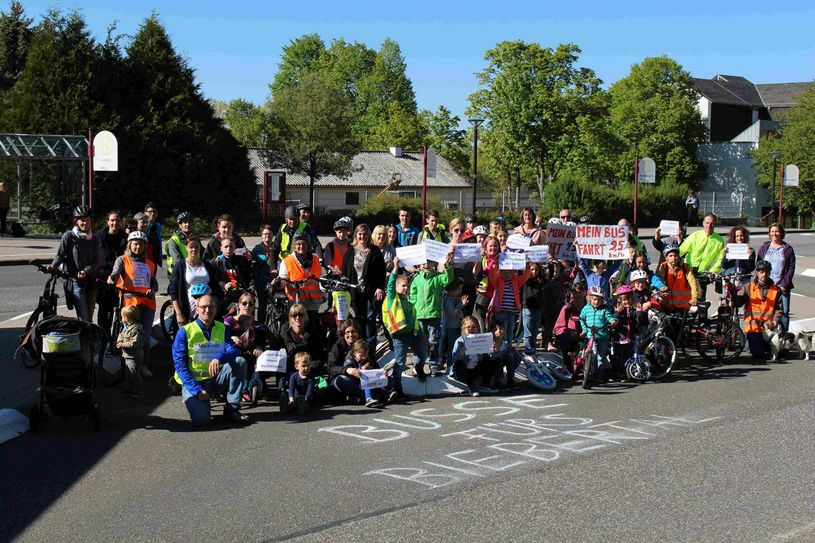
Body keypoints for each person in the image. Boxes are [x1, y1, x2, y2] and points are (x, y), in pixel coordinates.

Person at [172, 293, 250, 426]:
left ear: (215, 309)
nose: (207, 310)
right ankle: (200, 401)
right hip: (194, 382)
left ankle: (232, 409)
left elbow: (233, 350)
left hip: (215, 378)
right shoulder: (185, 332)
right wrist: (197, 390)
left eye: (211, 307)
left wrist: (219, 357)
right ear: (197, 308)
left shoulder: (221, 327)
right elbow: (180, 366)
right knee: (202, 420)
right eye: (203, 307)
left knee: (239, 362)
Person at [108, 230, 158, 377]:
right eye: (135, 244)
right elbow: (115, 272)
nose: (138, 247)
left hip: (147, 304)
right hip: (129, 304)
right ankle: (127, 366)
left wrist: (152, 290)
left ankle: (143, 365)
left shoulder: (149, 264)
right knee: (128, 336)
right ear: (130, 245)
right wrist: (111, 278)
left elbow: (154, 283)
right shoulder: (122, 260)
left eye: (141, 244)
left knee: (146, 337)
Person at [49, 205, 102, 322]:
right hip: (75, 281)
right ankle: (84, 338)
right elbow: (60, 255)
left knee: (89, 317)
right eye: (82, 220)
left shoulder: (95, 239)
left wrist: (86, 271)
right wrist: (53, 266)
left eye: (87, 219)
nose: (85, 223)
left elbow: (98, 261)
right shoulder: (69, 236)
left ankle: (88, 339)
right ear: (76, 221)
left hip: (91, 282)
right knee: (83, 317)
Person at [383, 257, 427, 396]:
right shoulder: (392, 299)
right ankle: (397, 388)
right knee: (400, 364)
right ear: (396, 288)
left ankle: (418, 369)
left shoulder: (409, 302)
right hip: (399, 337)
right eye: (403, 286)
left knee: (422, 354)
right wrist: (395, 267)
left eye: (407, 286)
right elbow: (390, 285)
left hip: (412, 335)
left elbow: (414, 322)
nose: (406, 288)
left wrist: (422, 336)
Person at [410, 245, 455, 375]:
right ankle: (418, 365)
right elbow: (412, 296)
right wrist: (413, 310)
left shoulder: (437, 277)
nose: (426, 264)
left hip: (434, 316)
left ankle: (434, 365)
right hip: (419, 317)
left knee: (433, 342)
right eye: (424, 262)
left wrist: (448, 264)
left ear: (434, 263)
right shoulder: (416, 280)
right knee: (419, 343)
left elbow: (448, 278)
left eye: (429, 262)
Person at [341, 224, 386, 348]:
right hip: (354, 293)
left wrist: (379, 287)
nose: (363, 236)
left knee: (370, 320)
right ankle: (358, 350)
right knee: (357, 321)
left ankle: (370, 350)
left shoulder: (375, 251)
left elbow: (381, 272)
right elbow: (344, 272)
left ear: (369, 235)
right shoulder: (350, 250)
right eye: (360, 234)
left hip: (370, 292)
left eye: (365, 234)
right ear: (356, 235)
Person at [169, 236, 222, 327]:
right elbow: (173, 291)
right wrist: (179, 313)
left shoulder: (207, 265)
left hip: (207, 311)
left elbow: (216, 287)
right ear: (186, 247)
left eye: (197, 247)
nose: (194, 249)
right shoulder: (180, 267)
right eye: (191, 247)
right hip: (188, 311)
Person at [736, 260, 783, 358]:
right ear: (757, 272)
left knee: (780, 351)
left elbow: (779, 309)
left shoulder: (776, 289)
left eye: (766, 271)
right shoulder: (748, 287)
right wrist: (734, 292)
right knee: (758, 354)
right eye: (761, 272)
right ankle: (752, 345)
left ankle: (763, 346)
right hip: (753, 327)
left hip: (769, 328)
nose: (764, 274)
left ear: (770, 272)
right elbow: (738, 303)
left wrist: (775, 321)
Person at [757, 223, 796, 332]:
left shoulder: (787, 249)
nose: (774, 234)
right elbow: (758, 265)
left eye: (777, 231)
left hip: (781, 285)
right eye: (772, 231)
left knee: (784, 312)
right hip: (766, 285)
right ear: (769, 233)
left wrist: (784, 284)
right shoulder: (764, 247)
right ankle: (766, 340)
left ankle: (783, 340)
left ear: (781, 233)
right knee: (766, 311)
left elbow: (791, 268)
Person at [487, 260, 533, 351]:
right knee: (500, 332)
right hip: (501, 312)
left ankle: (508, 349)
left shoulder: (516, 281)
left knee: (510, 331)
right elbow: (492, 274)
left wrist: (527, 268)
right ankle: (500, 348)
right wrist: (495, 264)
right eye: (504, 272)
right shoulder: (498, 281)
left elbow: (524, 278)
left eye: (510, 272)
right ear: (500, 272)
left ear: (514, 272)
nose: (507, 275)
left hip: (512, 312)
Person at [334, 339, 393, 407]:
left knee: (389, 380)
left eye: (365, 355)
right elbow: (348, 372)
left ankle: (387, 395)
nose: (364, 357)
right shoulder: (349, 360)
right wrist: (361, 370)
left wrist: (382, 373)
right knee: (367, 382)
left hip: (372, 382)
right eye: (361, 356)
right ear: (354, 353)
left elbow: (377, 369)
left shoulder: (368, 359)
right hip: (357, 383)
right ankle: (369, 398)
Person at [680, 213, 725, 300]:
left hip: (703, 275)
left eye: (712, 223)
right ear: (703, 223)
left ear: (715, 224)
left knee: (700, 301)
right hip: (688, 272)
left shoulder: (719, 241)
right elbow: (681, 250)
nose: (709, 225)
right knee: (685, 299)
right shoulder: (695, 235)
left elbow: (720, 260)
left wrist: (712, 272)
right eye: (707, 223)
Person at [279, 232, 322, 321]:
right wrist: (281, 283)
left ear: (308, 246)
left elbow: (320, 279)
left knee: (313, 326)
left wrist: (324, 296)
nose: (301, 246)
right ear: (294, 246)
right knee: (298, 326)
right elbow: (282, 280)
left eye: (304, 244)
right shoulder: (287, 261)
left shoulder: (315, 259)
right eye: (298, 244)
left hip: (313, 302)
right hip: (296, 301)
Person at [450, 316, 497, 397]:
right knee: (459, 364)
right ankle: (471, 386)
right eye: (468, 327)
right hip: (463, 371)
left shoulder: (481, 339)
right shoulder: (459, 341)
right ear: (463, 328)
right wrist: (460, 354)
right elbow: (454, 359)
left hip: (475, 369)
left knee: (494, 360)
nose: (471, 329)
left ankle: (484, 384)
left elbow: (489, 356)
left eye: (474, 327)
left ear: (478, 329)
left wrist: (493, 349)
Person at [580, 286, 618, 382]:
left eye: (599, 300)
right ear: (589, 299)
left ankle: (600, 374)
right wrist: (584, 330)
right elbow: (582, 319)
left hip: (603, 336)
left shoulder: (605, 309)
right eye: (594, 299)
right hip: (591, 336)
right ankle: (590, 371)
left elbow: (609, 316)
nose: (596, 302)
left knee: (601, 356)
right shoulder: (586, 309)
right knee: (594, 352)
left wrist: (613, 320)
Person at [96, 210, 126, 335]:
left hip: (121, 277)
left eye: (117, 220)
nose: (115, 223)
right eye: (112, 220)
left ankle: (116, 334)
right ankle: (102, 333)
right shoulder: (99, 237)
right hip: (104, 276)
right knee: (104, 308)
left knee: (118, 306)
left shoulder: (125, 237)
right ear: (108, 222)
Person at [212, 236, 254, 309]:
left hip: (242, 294)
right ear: (221, 248)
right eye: (226, 246)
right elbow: (215, 279)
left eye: (231, 246)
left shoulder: (242, 260)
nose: (229, 249)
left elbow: (250, 275)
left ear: (235, 248)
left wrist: (251, 287)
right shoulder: (217, 262)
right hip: (225, 296)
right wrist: (224, 285)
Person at [554, 283, 586, 369]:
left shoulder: (590, 308)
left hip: (586, 336)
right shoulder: (567, 308)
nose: (577, 295)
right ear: (571, 294)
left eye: (579, 292)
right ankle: (567, 364)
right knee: (564, 338)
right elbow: (558, 328)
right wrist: (569, 331)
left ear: (584, 292)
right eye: (574, 293)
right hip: (571, 337)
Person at [656, 244, 698, 312]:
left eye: (675, 255)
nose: (673, 258)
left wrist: (694, 298)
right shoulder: (664, 267)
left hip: (683, 305)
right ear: (666, 258)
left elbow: (693, 283)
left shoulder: (685, 267)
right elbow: (659, 280)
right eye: (670, 256)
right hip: (668, 304)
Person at [116, 305, 146, 399]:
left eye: (122, 316)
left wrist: (122, 345)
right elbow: (121, 334)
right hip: (128, 356)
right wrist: (119, 341)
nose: (121, 318)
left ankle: (139, 390)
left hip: (134, 356)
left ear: (127, 317)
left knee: (134, 374)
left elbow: (134, 344)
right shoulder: (127, 327)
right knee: (128, 373)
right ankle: (128, 388)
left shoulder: (136, 329)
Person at [440, 278, 468, 372]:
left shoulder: (453, 299)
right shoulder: (447, 300)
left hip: (455, 326)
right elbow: (452, 314)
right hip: (451, 327)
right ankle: (449, 366)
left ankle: (450, 364)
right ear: (452, 289)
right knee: (452, 347)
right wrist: (461, 303)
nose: (460, 291)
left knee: (453, 346)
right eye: (459, 289)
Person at [251, 224, 275, 325]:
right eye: (265, 234)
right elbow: (252, 266)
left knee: (276, 304)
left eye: (269, 234)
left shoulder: (276, 248)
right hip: (261, 281)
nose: (267, 236)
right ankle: (261, 326)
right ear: (261, 235)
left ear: (273, 235)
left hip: (274, 280)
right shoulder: (256, 249)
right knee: (262, 305)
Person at [328, 319, 361, 385]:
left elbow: (373, 363)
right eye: (347, 332)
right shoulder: (337, 347)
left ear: (358, 332)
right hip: (343, 376)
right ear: (343, 334)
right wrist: (347, 370)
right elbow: (331, 367)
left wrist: (381, 372)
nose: (350, 335)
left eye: (353, 331)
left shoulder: (363, 345)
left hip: (361, 375)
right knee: (342, 380)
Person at [522, 262, 545, 355]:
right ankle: (528, 349)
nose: (534, 272)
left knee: (535, 330)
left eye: (536, 270)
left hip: (538, 308)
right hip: (527, 307)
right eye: (532, 269)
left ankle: (533, 348)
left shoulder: (540, 280)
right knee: (528, 331)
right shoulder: (526, 279)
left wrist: (551, 263)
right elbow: (522, 272)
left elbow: (549, 275)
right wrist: (527, 266)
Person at [165, 211, 194, 279]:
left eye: (189, 222)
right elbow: (177, 261)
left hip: (192, 274)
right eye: (185, 222)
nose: (188, 224)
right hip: (177, 276)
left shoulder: (195, 239)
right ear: (180, 225)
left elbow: (201, 255)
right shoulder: (173, 241)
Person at [144, 203, 163, 269]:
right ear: (145, 213)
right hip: (144, 258)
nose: (152, 213)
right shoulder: (143, 225)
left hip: (154, 258)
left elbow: (159, 243)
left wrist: (160, 259)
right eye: (150, 212)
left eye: (154, 212)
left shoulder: (158, 226)